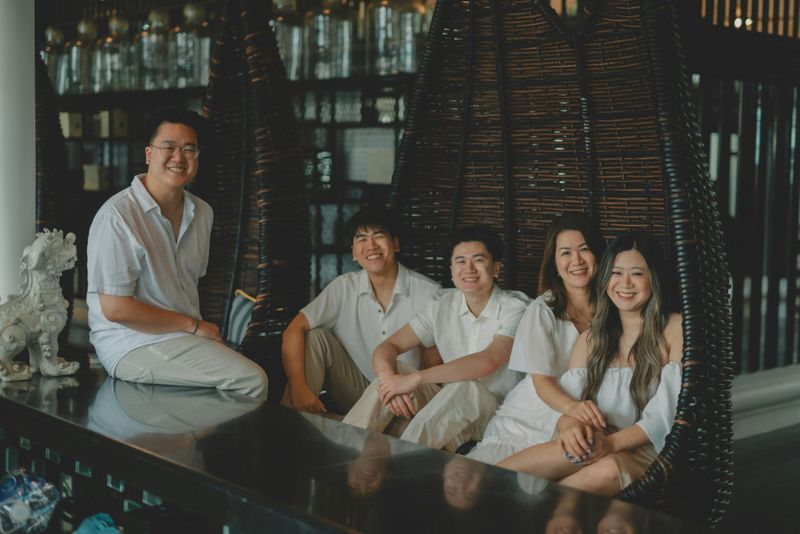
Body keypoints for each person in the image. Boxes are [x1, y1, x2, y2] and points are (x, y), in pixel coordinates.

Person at [86, 107, 268, 399]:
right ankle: (198, 441)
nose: (179, 157)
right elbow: (116, 308)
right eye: (168, 147)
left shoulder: (202, 212)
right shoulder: (118, 216)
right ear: (148, 154)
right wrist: (194, 326)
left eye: (189, 149)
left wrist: (194, 331)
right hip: (130, 343)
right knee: (251, 381)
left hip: (182, 339)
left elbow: (186, 287)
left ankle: (184, 440)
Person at [498, 232, 683, 496]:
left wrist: (610, 444)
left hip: (649, 449)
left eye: (637, 274)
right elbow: (568, 408)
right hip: (596, 440)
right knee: (496, 475)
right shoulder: (592, 338)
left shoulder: (675, 328)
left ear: (654, 278)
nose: (625, 283)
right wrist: (571, 427)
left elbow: (666, 414)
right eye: (616, 273)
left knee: (601, 471)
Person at [343, 226, 530, 451]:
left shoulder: (518, 308)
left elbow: (489, 359)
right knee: (397, 370)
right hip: (449, 404)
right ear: (451, 270)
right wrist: (389, 382)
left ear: (496, 268)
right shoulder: (442, 304)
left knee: (467, 387)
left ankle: (405, 459)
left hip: (496, 411)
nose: (468, 268)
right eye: (460, 261)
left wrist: (418, 379)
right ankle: (345, 451)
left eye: (478, 260)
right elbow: (387, 347)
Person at [468, 214, 606, 464]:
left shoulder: (612, 306)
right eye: (565, 253)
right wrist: (571, 409)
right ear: (554, 262)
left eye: (584, 249)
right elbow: (541, 382)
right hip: (535, 411)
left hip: (586, 410)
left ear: (598, 254)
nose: (576, 260)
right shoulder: (543, 310)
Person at [281, 208, 441, 415]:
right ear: (354, 252)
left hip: (406, 396)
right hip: (357, 389)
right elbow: (292, 330)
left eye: (379, 236)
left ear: (396, 243)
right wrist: (298, 386)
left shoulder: (429, 293)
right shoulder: (343, 287)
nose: (371, 246)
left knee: (401, 373)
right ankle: (291, 421)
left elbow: (432, 367)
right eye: (362, 239)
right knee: (315, 337)